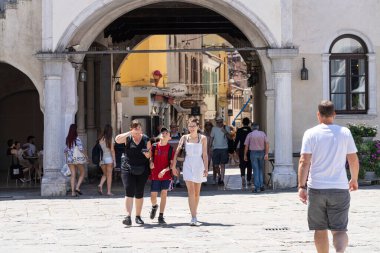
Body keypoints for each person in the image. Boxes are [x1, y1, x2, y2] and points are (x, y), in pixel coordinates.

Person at [298, 100, 359, 253]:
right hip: (339, 187)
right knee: (339, 230)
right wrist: (354, 179)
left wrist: (301, 186)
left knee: (319, 229)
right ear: (334, 114)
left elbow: (304, 161)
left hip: (317, 188)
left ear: (318, 115)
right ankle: (339, 251)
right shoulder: (345, 132)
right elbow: (353, 159)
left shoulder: (310, 133)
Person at [172, 117, 208, 226]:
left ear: (198, 126)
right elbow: (177, 152)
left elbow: (205, 155)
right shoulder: (184, 137)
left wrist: (206, 168)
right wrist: (173, 166)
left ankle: (194, 212)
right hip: (188, 164)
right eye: (190, 126)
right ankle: (193, 217)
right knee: (191, 191)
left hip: (198, 165)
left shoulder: (203, 138)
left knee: (197, 193)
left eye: (193, 126)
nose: (191, 128)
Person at [115, 120, 151, 226]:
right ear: (131, 129)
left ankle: (138, 216)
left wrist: (146, 154)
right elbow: (117, 140)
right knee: (129, 191)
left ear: (141, 129)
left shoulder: (145, 139)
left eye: (139, 128)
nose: (137, 130)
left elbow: (150, 155)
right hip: (128, 168)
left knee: (139, 192)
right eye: (135, 128)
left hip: (142, 168)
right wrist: (129, 133)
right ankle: (128, 217)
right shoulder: (128, 138)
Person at [149, 127, 177, 224]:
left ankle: (161, 216)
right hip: (155, 174)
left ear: (169, 137)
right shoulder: (154, 146)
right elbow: (150, 157)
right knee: (153, 195)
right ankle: (154, 206)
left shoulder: (170, 149)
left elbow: (172, 165)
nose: (164, 134)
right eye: (162, 132)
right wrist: (151, 163)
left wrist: (164, 171)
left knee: (164, 193)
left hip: (166, 175)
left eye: (166, 133)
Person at [244, 122, 269, 193]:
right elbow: (267, 143)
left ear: (252, 128)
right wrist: (266, 153)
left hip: (253, 153)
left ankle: (257, 186)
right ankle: (261, 185)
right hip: (261, 152)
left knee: (255, 170)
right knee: (260, 169)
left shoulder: (250, 135)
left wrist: (245, 155)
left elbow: (246, 146)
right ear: (258, 127)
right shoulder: (262, 134)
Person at [64, 124, 87, 197]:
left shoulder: (68, 138)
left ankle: (73, 192)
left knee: (73, 175)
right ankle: (77, 187)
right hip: (77, 159)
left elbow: (65, 150)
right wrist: (86, 155)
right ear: (75, 130)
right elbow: (81, 149)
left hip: (70, 159)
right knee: (83, 172)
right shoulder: (77, 138)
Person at [210, 117, 231, 185]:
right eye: (218, 122)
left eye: (220, 122)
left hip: (224, 148)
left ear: (222, 122)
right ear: (216, 122)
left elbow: (230, 138)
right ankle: (219, 175)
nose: (219, 124)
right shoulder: (214, 129)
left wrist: (225, 132)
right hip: (216, 148)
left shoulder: (226, 127)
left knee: (222, 164)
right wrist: (210, 147)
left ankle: (222, 179)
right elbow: (211, 138)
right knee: (215, 165)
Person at [97, 124, 116, 196]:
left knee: (105, 174)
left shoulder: (101, 138)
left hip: (102, 159)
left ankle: (100, 184)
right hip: (109, 158)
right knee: (109, 175)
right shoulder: (111, 138)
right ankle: (108, 192)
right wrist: (114, 161)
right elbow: (112, 150)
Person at [234, 117, 252, 188]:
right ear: (249, 123)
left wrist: (234, 148)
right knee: (249, 165)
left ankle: (243, 177)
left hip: (242, 149)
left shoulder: (239, 130)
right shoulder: (250, 130)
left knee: (242, 164)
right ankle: (249, 180)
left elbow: (236, 140)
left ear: (242, 123)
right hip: (250, 149)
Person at [169, 123, 182, 188]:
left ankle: (177, 181)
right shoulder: (168, 135)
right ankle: (172, 181)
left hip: (177, 154)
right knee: (171, 167)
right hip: (170, 154)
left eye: (174, 127)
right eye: (172, 127)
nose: (173, 128)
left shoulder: (180, 135)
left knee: (177, 167)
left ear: (176, 128)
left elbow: (182, 145)